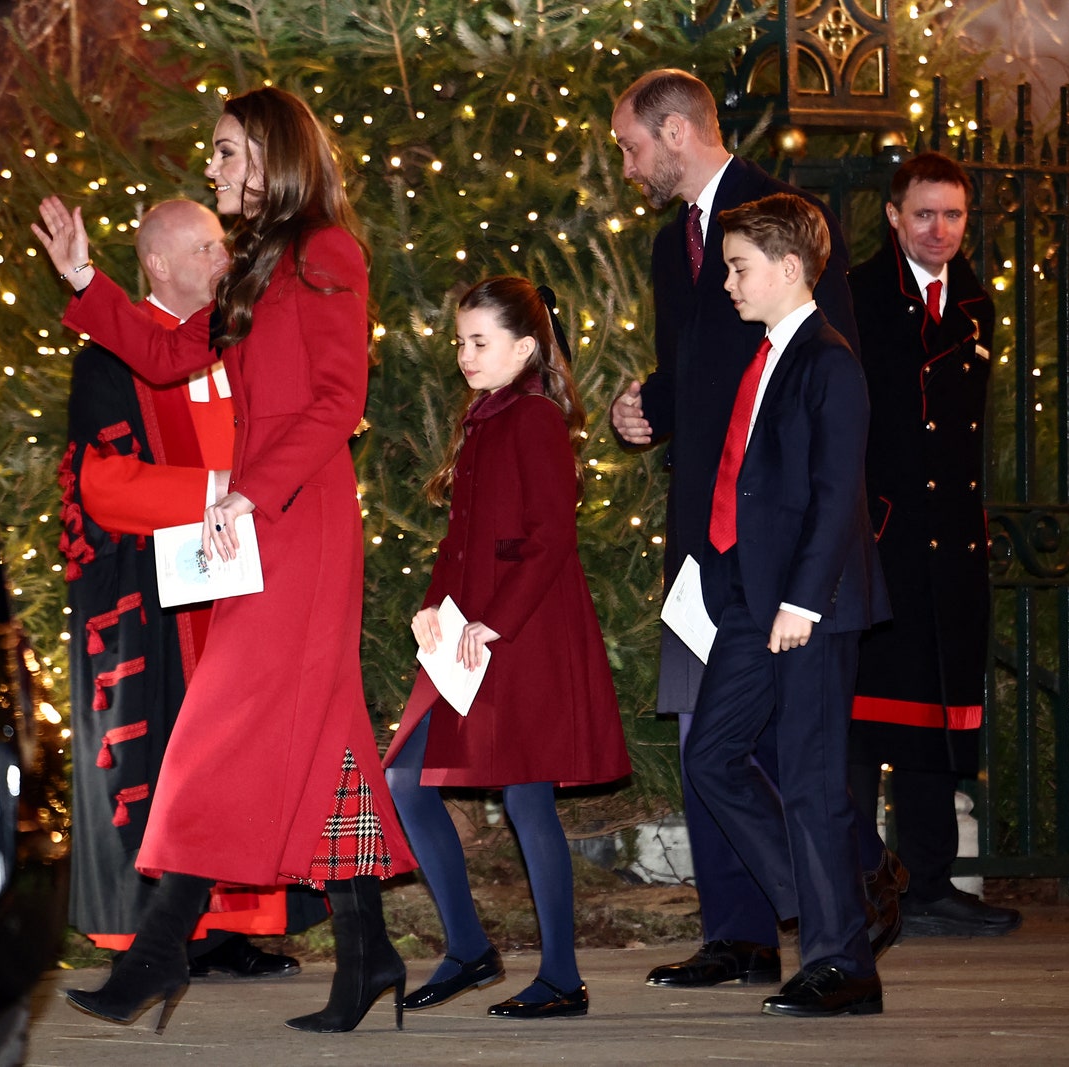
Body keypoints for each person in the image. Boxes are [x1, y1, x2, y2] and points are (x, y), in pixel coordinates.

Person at [32, 86, 417, 1034]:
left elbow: (337, 400)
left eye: (229, 151)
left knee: (212, 726)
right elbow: (164, 354)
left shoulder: (328, 252)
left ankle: (157, 953)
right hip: (263, 518)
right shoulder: (258, 266)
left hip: (299, 516)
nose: (215, 167)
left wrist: (250, 490)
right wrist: (86, 283)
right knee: (331, 746)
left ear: (277, 156)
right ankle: (366, 951)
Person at [608, 68, 905, 990]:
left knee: (792, 742)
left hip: (783, 537)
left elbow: (819, 377)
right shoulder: (672, 245)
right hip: (707, 526)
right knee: (710, 730)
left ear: (675, 132)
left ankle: (846, 897)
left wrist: (815, 570)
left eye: (629, 147)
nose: (625, 166)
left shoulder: (780, 225)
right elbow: (696, 365)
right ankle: (740, 932)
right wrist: (648, 402)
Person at [63, 198, 325, 979]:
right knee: (175, 760)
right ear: (158, 264)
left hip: (242, 583)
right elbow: (103, 485)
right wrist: (219, 488)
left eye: (224, 244)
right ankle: (172, 933)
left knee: (243, 754)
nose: (225, 258)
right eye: (208, 247)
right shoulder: (110, 356)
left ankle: (237, 924)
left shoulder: (239, 339)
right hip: (157, 596)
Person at [383, 277, 631, 1020]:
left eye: (479, 341)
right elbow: (459, 541)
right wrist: (432, 605)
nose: (464, 354)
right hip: (468, 631)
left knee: (527, 799)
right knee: (405, 778)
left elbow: (553, 535)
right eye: (460, 341)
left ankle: (560, 974)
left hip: (520, 636)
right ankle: (468, 946)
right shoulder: (483, 416)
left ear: (524, 348)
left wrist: (499, 621)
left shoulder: (533, 418)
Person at [684, 193, 890, 1017]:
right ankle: (828, 898)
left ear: (791, 268)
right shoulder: (765, 355)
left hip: (810, 604)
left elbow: (838, 493)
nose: (729, 282)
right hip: (750, 597)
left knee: (810, 778)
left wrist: (802, 599)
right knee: (711, 756)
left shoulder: (828, 361)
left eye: (739, 267)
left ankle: (845, 964)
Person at [846, 153, 1021, 938]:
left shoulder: (979, 303)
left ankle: (930, 882)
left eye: (953, 215)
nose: (941, 230)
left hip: (951, 543)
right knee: (860, 721)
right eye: (924, 214)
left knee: (937, 716)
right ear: (893, 215)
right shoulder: (854, 296)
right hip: (880, 539)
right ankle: (851, 881)